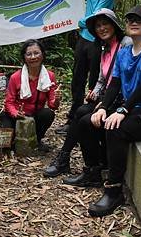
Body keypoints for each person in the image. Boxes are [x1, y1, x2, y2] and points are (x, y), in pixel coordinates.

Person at [70, 6, 141, 217]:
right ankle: (93, 170)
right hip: (131, 108)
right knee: (87, 121)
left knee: (116, 128)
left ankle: (114, 190)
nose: (134, 22)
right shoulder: (124, 53)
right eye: (130, 19)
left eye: (140, 19)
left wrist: (122, 110)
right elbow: (114, 84)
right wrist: (104, 107)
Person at [44, 9, 129, 177]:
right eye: (98, 26)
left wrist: (105, 102)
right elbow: (102, 80)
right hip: (108, 98)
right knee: (81, 111)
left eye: (105, 23)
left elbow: (127, 78)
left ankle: (81, 164)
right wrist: (96, 93)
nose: (102, 28)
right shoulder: (105, 49)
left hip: (122, 99)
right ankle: (66, 158)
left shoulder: (125, 43)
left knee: (84, 116)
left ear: (114, 24)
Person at [59, 0, 115, 134]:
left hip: (96, 40)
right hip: (83, 38)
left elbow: (97, 15)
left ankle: (88, 118)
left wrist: (76, 21)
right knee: (77, 78)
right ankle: (73, 117)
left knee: (94, 82)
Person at [0, 39, 61, 150]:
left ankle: (36, 140)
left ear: (42, 55)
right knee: (4, 146)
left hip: (34, 115)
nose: (33, 57)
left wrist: (56, 100)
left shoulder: (49, 76)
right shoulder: (15, 77)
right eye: (29, 54)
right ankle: (9, 143)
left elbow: (52, 105)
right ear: (24, 57)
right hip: (16, 115)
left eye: (36, 53)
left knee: (48, 114)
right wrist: (15, 113)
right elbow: (9, 102)